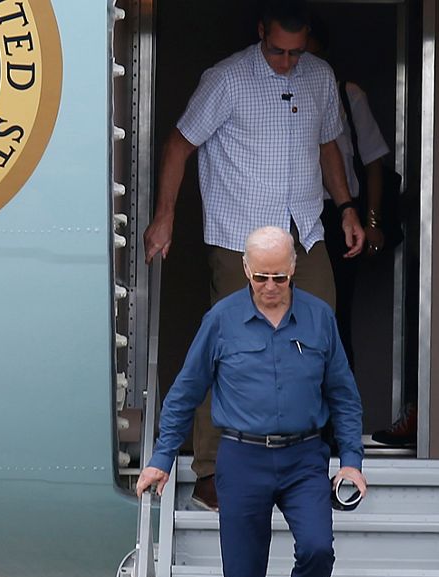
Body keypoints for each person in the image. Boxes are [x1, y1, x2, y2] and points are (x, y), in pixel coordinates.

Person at [143, 0, 365, 512]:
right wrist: (166, 216)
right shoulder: (226, 79)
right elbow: (179, 144)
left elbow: (329, 146)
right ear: (260, 31)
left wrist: (348, 208)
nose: (287, 61)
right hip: (239, 237)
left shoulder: (319, 76)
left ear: (307, 37)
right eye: (276, 51)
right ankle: (211, 472)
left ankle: (316, 459)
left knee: (319, 338)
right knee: (229, 349)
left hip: (304, 233)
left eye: (296, 51)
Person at [137, 227, 368, 577]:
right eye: (261, 276)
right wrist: (161, 459)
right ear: (245, 269)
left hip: (305, 457)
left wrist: (351, 462)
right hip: (241, 459)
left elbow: (344, 396)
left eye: (279, 277)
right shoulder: (221, 321)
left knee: (319, 550)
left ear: (293, 270)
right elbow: (185, 391)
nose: (269, 286)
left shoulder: (319, 319)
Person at [308, 18, 392, 371]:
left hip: (340, 215)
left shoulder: (346, 94)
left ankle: (337, 422)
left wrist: (370, 220)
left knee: (336, 316)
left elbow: (373, 161)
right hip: (294, 214)